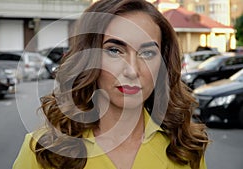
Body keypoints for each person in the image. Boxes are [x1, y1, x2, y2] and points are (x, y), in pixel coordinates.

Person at [13, 0, 209, 169]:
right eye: (114, 51)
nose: (132, 70)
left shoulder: (186, 148)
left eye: (147, 53)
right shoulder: (42, 150)